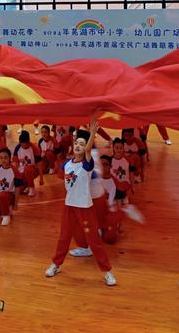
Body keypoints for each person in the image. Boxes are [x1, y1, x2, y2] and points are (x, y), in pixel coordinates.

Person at [45, 119, 116, 287]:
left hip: (85, 208)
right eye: (76, 143)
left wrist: (92, 134)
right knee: (64, 238)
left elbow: (89, 150)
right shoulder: (67, 164)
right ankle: (56, 265)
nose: (77, 146)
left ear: (86, 148)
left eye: (81, 144)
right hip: (70, 207)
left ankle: (107, 272)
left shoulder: (86, 165)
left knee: (94, 241)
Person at [0, 147, 20, 226]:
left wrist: (15, 204)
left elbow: (17, 188)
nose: (3, 160)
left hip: (9, 196)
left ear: (10, 158)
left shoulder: (15, 170)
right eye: (1, 158)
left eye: (5, 158)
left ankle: (6, 215)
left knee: (2, 194)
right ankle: (2, 210)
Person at [12, 129, 40, 196]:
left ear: (28, 141)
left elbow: (39, 163)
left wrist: (41, 178)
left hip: (32, 170)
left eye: (25, 143)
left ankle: (31, 188)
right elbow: (15, 163)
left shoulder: (34, 148)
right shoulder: (17, 148)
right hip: (21, 172)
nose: (24, 145)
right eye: (22, 143)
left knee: (28, 169)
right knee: (19, 190)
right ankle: (27, 184)